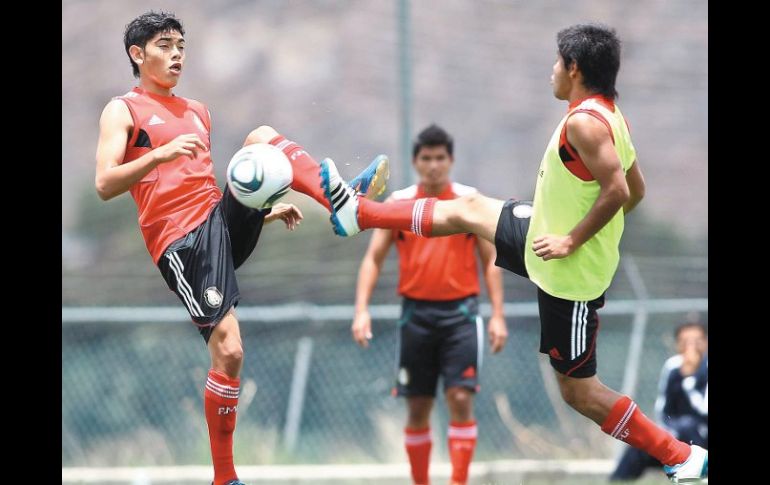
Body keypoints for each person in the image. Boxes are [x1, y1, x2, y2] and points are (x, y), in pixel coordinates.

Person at [316, 23, 707, 483]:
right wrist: (585, 228)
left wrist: (574, 240)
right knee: (467, 207)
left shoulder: (585, 123)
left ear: (575, 68)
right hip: (545, 236)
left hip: (567, 273)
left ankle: (680, 455)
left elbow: (619, 190)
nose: (552, 71)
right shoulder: (609, 114)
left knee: (579, 393)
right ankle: (359, 214)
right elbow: (635, 190)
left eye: (558, 62)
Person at [94, 12, 388, 485]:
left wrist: (261, 212)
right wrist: (158, 154)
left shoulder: (198, 111)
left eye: (181, 46)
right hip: (182, 243)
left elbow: (203, 189)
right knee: (229, 352)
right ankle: (225, 478)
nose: (176, 55)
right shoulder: (122, 110)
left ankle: (338, 201)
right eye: (164, 45)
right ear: (137, 53)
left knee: (261, 138)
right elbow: (105, 182)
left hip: (215, 225)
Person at [351, 124, 507, 485]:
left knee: (460, 398)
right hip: (415, 316)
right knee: (418, 405)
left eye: (440, 158)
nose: (434, 165)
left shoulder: (469, 202)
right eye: (427, 158)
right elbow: (373, 258)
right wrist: (361, 309)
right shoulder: (399, 204)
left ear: (450, 160)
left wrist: (498, 314)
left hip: (461, 315)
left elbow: (491, 260)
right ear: (415, 162)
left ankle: (458, 482)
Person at [610, 322, 708, 481]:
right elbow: (663, 407)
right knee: (641, 444)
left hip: (701, 434)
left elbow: (704, 410)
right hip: (677, 432)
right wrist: (664, 433)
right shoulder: (672, 366)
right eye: (685, 342)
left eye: (696, 341)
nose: (691, 347)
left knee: (688, 425)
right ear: (678, 345)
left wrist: (689, 380)